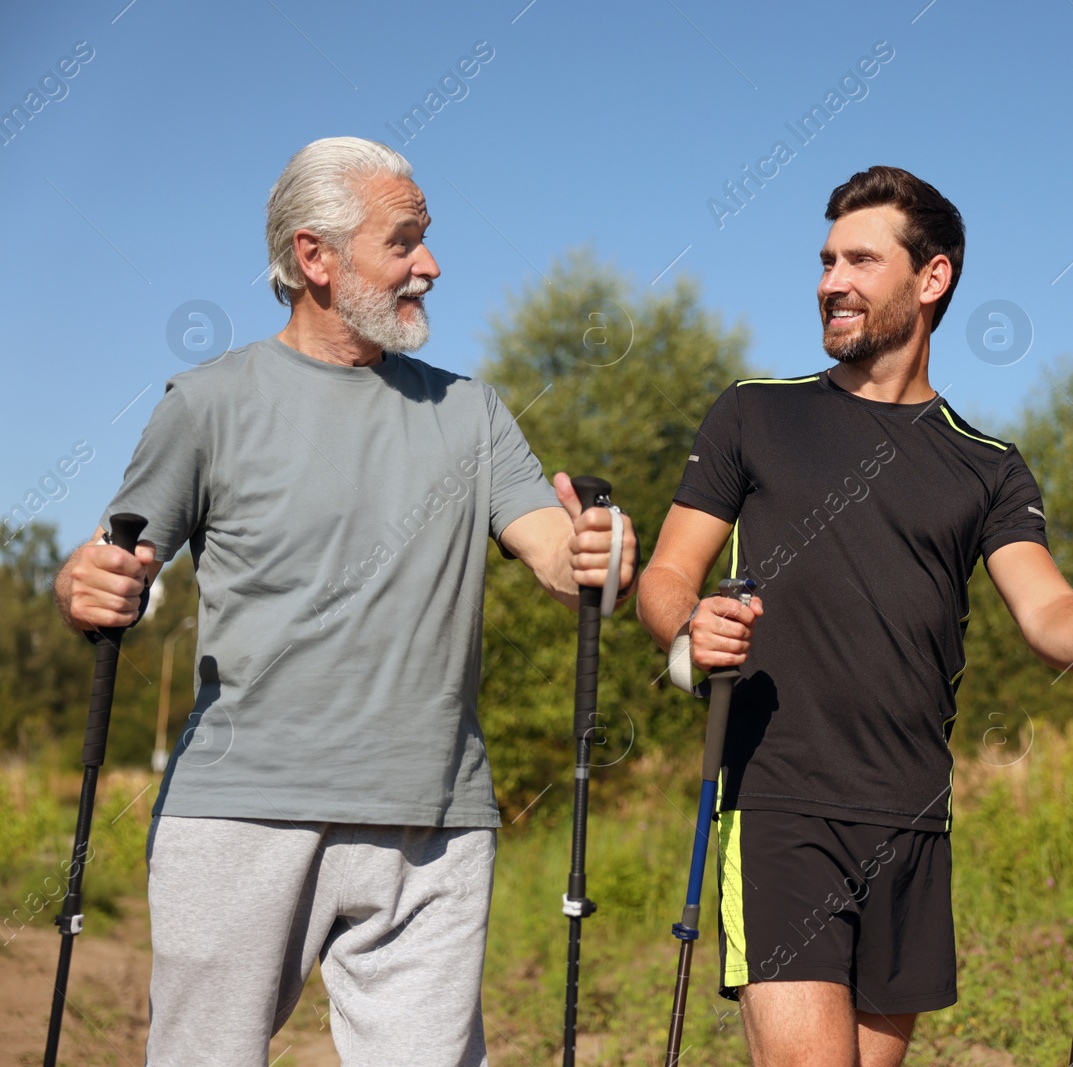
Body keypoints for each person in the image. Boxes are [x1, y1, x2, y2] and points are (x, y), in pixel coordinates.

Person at [52, 136, 636, 1066]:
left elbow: (559, 556)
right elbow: (113, 566)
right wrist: (84, 585)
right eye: (404, 242)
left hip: (434, 824)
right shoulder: (208, 403)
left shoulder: (470, 412)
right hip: (241, 812)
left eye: (426, 239)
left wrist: (599, 550)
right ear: (315, 257)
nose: (431, 265)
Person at [637, 165, 1073, 1067]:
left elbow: (1047, 605)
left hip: (914, 815)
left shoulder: (988, 465)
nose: (829, 281)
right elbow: (664, 573)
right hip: (780, 801)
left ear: (933, 279)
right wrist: (688, 625)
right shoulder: (753, 416)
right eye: (825, 260)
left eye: (859, 259)